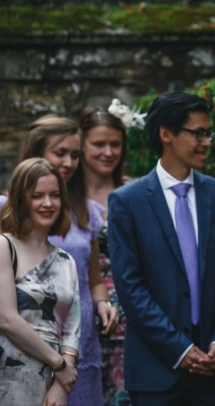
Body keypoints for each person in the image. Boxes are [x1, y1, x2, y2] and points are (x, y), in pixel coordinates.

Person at [108, 92, 215, 405]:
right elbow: (130, 288)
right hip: (156, 371)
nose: (206, 142)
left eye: (208, 133)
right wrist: (179, 349)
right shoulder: (127, 202)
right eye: (198, 133)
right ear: (165, 134)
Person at [0, 114, 119, 406]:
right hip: (18, 348)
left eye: (75, 154)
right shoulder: (2, 213)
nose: (69, 162)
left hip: (77, 338)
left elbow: (93, 281)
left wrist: (102, 304)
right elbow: (4, 309)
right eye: (59, 153)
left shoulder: (85, 214)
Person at [0, 157, 79, 405]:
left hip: (54, 382)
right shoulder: (2, 246)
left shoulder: (66, 261)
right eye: (37, 195)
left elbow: (73, 328)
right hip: (7, 374)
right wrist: (59, 364)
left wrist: (62, 383)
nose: (48, 203)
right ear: (21, 199)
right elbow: (7, 320)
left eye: (54, 195)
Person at [77, 103, 130, 405]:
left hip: (129, 318)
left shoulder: (134, 190)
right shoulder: (62, 197)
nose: (108, 152)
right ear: (82, 145)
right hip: (80, 309)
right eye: (99, 144)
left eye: (115, 144)